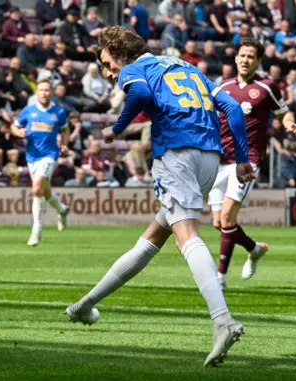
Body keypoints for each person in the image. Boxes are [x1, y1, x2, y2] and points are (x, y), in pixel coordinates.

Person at [65, 26, 254, 367]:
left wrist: (115, 129)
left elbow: (138, 96)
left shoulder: (136, 69)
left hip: (176, 155)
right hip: (209, 159)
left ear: (120, 52)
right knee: (150, 240)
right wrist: (241, 159)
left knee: (188, 238)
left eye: (109, 63)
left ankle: (222, 320)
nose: (109, 72)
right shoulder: (189, 68)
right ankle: (85, 304)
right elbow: (235, 111)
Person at [207, 38, 296, 288]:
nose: (245, 60)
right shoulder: (222, 87)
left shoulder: (267, 87)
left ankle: (220, 278)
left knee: (227, 217)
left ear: (257, 61)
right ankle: (255, 248)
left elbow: (283, 111)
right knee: (218, 222)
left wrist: (288, 123)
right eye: (242, 55)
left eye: (250, 56)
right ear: (235, 58)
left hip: (247, 160)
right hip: (219, 158)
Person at [11, 79, 70, 247]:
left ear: (51, 93)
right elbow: (13, 127)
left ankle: (36, 229)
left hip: (49, 155)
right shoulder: (28, 111)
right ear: (37, 93)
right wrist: (19, 132)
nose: (44, 93)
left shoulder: (58, 112)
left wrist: (65, 144)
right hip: (32, 157)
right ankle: (62, 209)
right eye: (41, 90)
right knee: (44, 191)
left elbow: (65, 129)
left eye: (47, 90)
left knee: (37, 187)